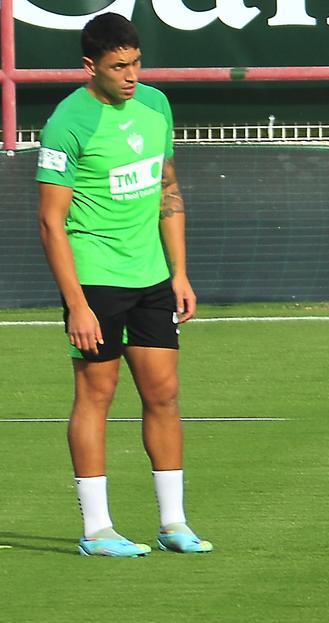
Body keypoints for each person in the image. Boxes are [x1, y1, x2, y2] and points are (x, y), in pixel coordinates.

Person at [36, 13, 211, 557]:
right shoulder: (68, 123)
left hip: (152, 278)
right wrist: (77, 305)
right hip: (95, 281)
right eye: (119, 67)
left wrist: (179, 272)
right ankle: (97, 530)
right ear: (91, 67)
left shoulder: (155, 106)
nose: (131, 75)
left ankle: (174, 523)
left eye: (136, 63)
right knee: (97, 395)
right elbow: (50, 221)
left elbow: (168, 191)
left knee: (163, 393)